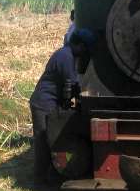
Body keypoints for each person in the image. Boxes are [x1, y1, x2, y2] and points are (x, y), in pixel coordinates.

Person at [29, 28, 96, 182]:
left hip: (50, 101)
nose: (85, 51)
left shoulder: (67, 54)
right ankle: (39, 179)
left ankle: (50, 173)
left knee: (51, 138)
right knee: (43, 139)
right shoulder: (65, 56)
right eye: (84, 48)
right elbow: (72, 83)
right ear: (78, 45)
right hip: (43, 102)